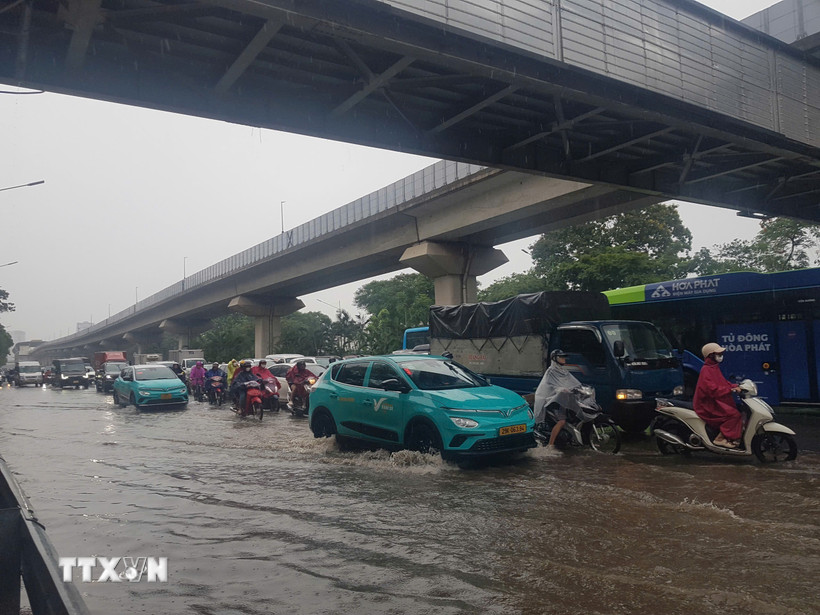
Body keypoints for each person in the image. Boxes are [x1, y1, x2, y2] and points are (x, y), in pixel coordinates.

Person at [533, 349, 594, 451]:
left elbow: (574, 383)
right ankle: (550, 445)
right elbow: (552, 386)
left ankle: (586, 441)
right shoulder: (551, 372)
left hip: (564, 400)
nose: (563, 359)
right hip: (552, 401)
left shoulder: (564, 371)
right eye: (561, 357)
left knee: (581, 414)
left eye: (564, 357)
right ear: (555, 358)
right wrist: (561, 389)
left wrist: (581, 389)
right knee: (561, 421)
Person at [693, 342, 743, 448]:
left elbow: (723, 382)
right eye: (718, 354)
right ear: (711, 356)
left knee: (737, 411)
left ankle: (731, 437)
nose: (721, 356)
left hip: (714, 401)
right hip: (707, 405)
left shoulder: (714, 367)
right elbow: (712, 390)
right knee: (734, 415)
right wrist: (730, 389)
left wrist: (735, 386)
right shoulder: (706, 370)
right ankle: (719, 438)